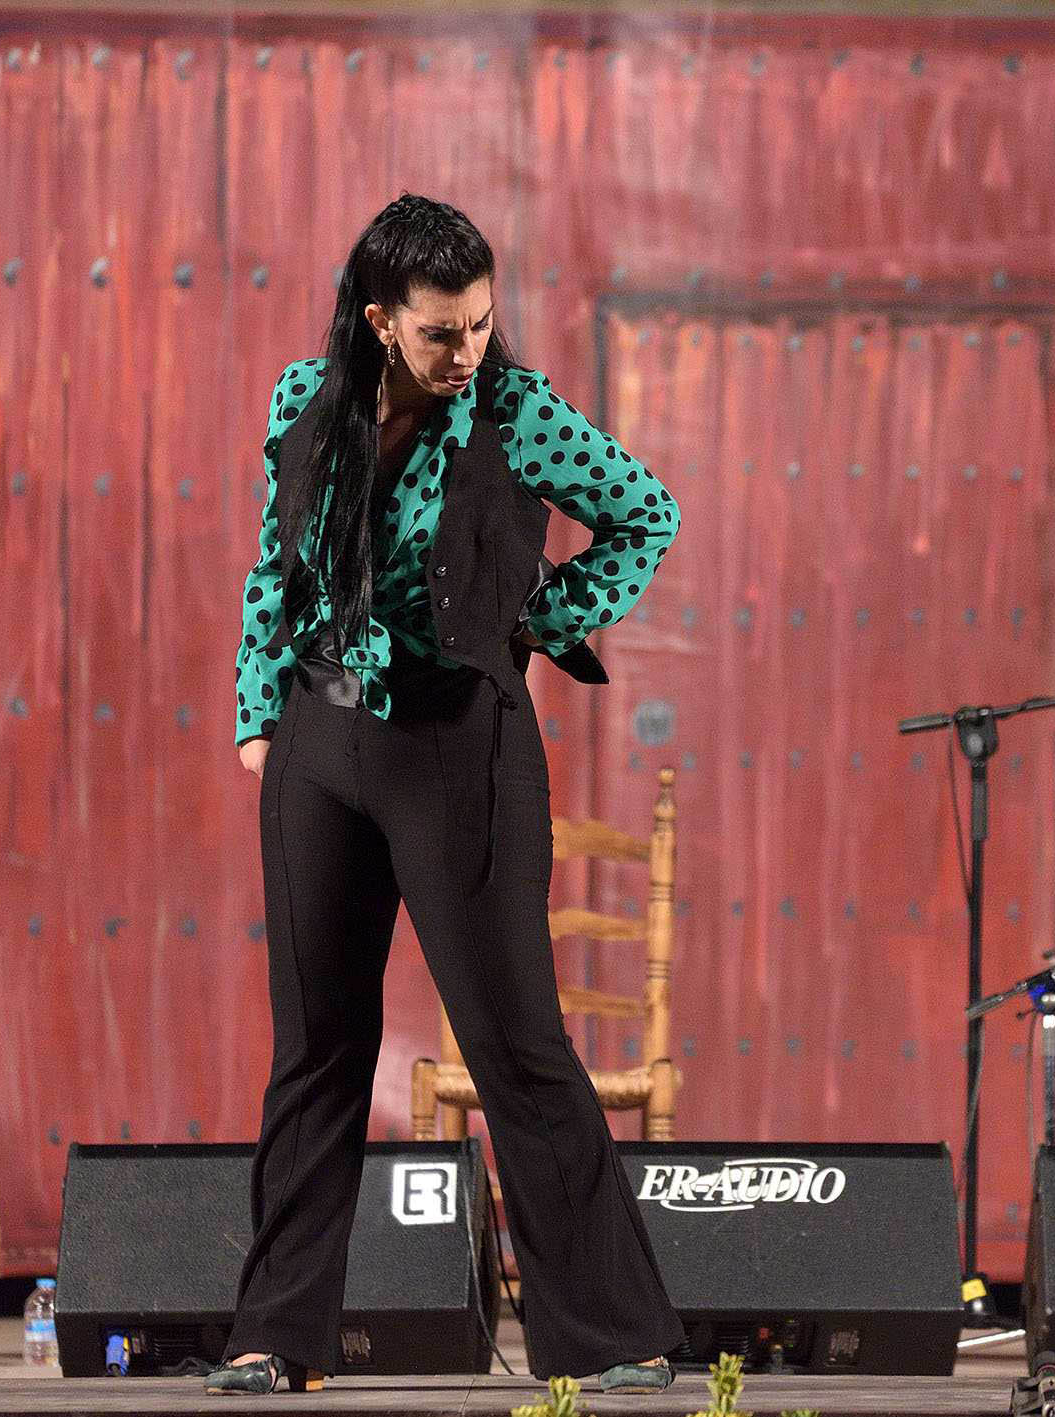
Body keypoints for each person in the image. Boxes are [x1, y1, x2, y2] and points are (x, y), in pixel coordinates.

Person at [209, 195, 684, 1396]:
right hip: (321, 750)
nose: (466, 348)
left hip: (455, 746)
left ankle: (613, 1338)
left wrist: (539, 620)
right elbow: (274, 564)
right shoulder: (299, 403)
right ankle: (276, 1338)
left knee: (515, 1042)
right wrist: (261, 719)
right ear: (378, 320)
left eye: (479, 321)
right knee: (316, 1047)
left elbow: (647, 514)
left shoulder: (517, 415)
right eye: (439, 331)